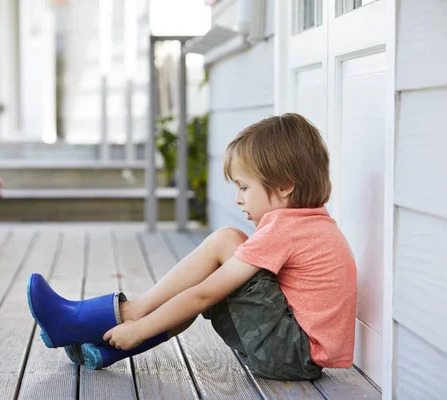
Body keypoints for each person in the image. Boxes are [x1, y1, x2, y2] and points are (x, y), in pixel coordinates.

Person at [27, 113, 357, 380]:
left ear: (285, 186)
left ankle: (117, 315)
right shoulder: (311, 223)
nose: (238, 199)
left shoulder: (285, 229)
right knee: (218, 267)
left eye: (244, 187)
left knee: (226, 243)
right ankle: (108, 346)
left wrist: (141, 328)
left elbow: (203, 295)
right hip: (294, 352)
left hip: (290, 353)